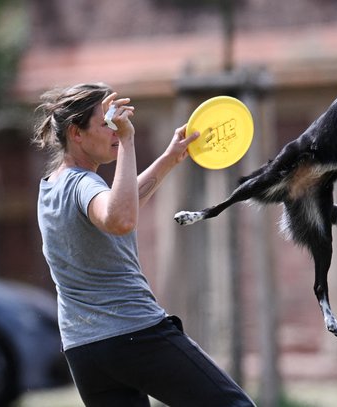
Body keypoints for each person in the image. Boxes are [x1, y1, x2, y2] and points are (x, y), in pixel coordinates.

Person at [33, 83, 255, 407]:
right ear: (76, 133)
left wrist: (169, 158)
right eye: (107, 123)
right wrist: (127, 139)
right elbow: (120, 219)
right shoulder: (84, 183)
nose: (114, 130)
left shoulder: (51, 188)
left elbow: (115, 208)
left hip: (84, 351)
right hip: (133, 335)